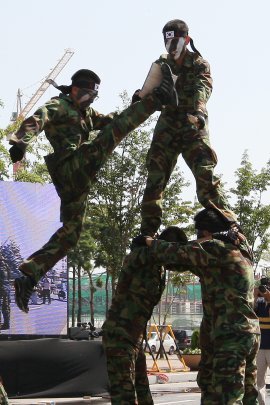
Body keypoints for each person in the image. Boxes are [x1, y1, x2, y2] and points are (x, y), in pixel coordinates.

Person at [9, 64, 177, 314]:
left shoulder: (87, 114)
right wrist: (20, 144)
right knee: (111, 136)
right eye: (87, 95)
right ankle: (158, 97)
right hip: (70, 167)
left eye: (93, 97)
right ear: (75, 89)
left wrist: (133, 106)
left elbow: (114, 120)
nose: (89, 101)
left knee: (71, 234)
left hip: (77, 181)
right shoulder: (60, 106)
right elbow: (37, 119)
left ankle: (29, 275)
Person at [140, 208, 260, 404]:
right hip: (247, 333)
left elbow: (178, 254)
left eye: (198, 234)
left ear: (205, 233)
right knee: (246, 395)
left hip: (229, 335)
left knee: (225, 397)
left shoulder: (216, 248)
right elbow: (182, 261)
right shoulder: (241, 248)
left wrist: (147, 242)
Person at [135, 19, 236, 237]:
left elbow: (203, 87)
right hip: (168, 126)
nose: (171, 47)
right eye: (167, 42)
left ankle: (230, 228)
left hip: (193, 124)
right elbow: (147, 93)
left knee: (205, 176)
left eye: (175, 42)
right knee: (155, 179)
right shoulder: (162, 65)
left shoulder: (199, 63)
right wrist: (139, 98)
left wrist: (199, 111)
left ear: (186, 40)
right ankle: (147, 236)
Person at [102, 226, 188, 405]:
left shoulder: (159, 267)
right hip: (120, 335)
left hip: (135, 336)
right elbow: (171, 254)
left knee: (142, 391)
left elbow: (181, 259)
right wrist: (151, 243)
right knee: (124, 395)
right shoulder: (142, 256)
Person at [254, 278, 270, 405]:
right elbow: (250, 311)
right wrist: (254, 295)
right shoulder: (258, 303)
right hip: (260, 348)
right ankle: (262, 403)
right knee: (259, 380)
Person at [0, 265, 10, 331]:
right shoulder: (6, 267)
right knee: (5, 306)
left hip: (1, 288)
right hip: (6, 288)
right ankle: (6, 324)